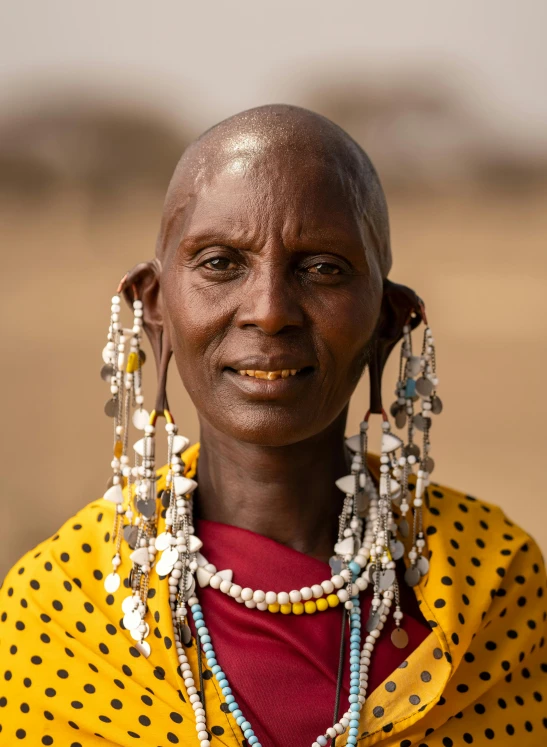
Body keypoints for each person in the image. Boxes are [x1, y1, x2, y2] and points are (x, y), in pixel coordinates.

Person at [1, 105, 545, 747]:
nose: (269, 312)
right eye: (220, 263)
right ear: (155, 309)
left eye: (322, 269)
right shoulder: (60, 604)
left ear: (389, 322)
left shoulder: (490, 581)